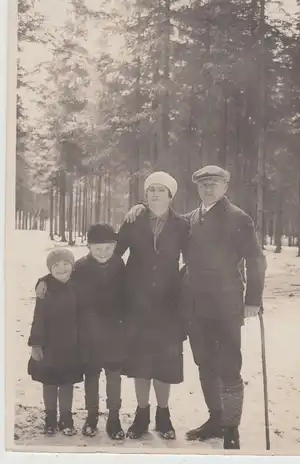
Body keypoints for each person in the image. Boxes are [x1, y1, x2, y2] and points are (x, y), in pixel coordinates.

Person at [124, 165, 267, 450]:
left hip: (225, 305)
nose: (208, 189)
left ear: (225, 187)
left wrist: (252, 299)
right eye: (203, 185)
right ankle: (215, 419)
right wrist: (141, 207)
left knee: (228, 365)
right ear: (196, 188)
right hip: (194, 306)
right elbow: (164, 217)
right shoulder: (191, 219)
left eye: (214, 184)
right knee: (205, 363)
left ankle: (231, 427)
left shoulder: (238, 218)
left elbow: (256, 260)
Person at [115, 171, 189, 440]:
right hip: (136, 303)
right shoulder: (133, 220)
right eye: (151, 190)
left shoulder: (182, 225)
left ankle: (163, 414)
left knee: (165, 362)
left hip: (169, 305)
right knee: (140, 361)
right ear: (145, 196)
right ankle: (142, 414)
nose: (155, 194)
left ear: (171, 195)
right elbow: (113, 255)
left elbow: (195, 260)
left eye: (161, 190)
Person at [35, 224, 128, 441]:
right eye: (97, 248)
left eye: (107, 248)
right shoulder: (81, 266)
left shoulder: (120, 265)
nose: (103, 253)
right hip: (89, 334)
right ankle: (92, 416)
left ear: (115, 246)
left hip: (115, 332)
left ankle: (114, 418)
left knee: (114, 377)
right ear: (88, 247)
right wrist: (42, 281)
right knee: (92, 376)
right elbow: (60, 275)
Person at [28, 248, 83, 436]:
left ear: (72, 266)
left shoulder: (78, 285)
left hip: (71, 346)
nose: (62, 268)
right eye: (56, 265)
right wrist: (36, 344)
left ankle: (66, 418)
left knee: (67, 383)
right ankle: (50, 417)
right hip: (49, 346)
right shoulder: (46, 290)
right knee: (50, 383)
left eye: (66, 264)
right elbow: (39, 319)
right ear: (49, 269)